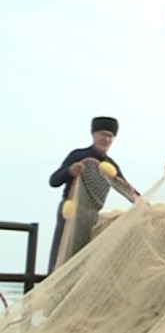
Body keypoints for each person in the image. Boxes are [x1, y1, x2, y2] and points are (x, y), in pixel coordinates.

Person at [48, 116, 133, 273]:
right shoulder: (78, 155)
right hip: (70, 211)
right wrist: (70, 171)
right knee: (61, 254)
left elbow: (126, 189)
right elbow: (53, 180)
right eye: (102, 134)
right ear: (93, 135)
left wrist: (144, 205)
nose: (106, 139)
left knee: (82, 258)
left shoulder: (111, 165)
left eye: (110, 136)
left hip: (92, 215)